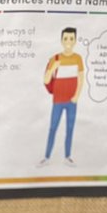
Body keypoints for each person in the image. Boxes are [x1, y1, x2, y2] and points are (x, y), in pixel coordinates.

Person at [38, 27, 84, 167]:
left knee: (70, 128)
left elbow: (81, 79)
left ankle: (68, 157)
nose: (68, 42)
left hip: (72, 101)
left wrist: (76, 96)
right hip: (57, 101)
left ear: (75, 40)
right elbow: (46, 80)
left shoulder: (78, 58)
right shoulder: (55, 58)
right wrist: (53, 68)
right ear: (61, 40)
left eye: (71, 38)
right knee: (53, 128)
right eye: (65, 39)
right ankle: (47, 157)